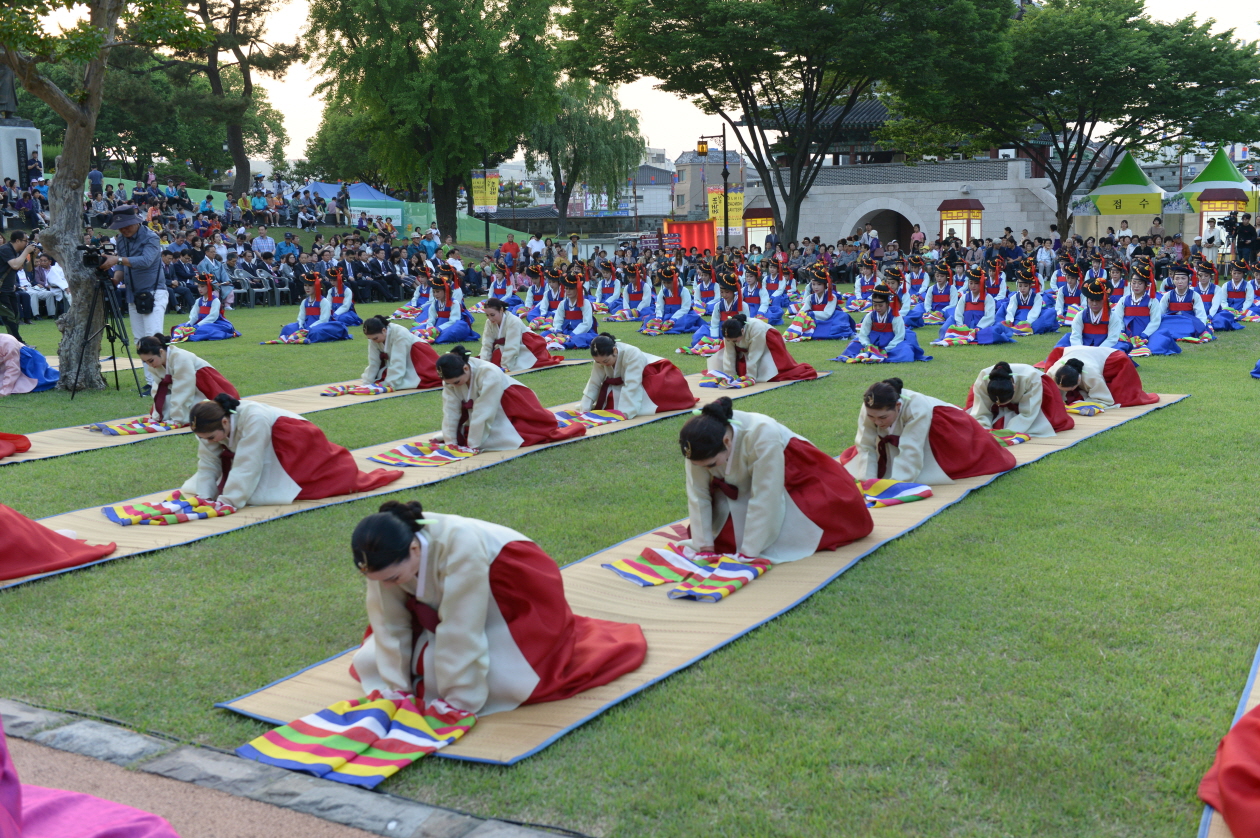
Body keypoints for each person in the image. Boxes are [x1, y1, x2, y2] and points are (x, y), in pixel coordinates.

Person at [348, 500, 647, 714]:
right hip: (451, 599)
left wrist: (458, 701)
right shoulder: (382, 557)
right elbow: (388, 621)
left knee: (508, 681)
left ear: (415, 549)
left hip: (510, 592)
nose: (387, 586)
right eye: (379, 580)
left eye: (392, 579)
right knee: (372, 660)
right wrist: (396, 689)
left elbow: (461, 627)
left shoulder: (459, 542)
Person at [676, 397, 873, 563]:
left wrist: (749, 553)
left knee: (823, 524)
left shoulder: (762, 433)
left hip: (794, 475)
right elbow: (698, 493)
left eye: (711, 465)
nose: (707, 470)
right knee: (724, 540)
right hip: (741, 484)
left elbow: (766, 495)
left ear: (727, 442)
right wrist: (704, 547)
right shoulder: (696, 444)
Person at [182, 394, 401, 511]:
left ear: (224, 421)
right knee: (216, 483)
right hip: (261, 445)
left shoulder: (253, 416)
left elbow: (248, 462)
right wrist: (204, 496)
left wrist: (228, 500)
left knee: (299, 486)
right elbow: (208, 462)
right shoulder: (208, 427)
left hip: (292, 438)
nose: (209, 442)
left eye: (211, 438)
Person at [840, 378, 1016, 485]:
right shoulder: (870, 408)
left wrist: (896, 484)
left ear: (898, 406)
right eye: (872, 417)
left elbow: (911, 446)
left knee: (970, 458)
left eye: (883, 418)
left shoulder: (917, 407)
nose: (877, 422)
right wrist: (867, 480)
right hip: (909, 425)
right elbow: (865, 443)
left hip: (943, 426)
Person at [436, 346, 586, 451]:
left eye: (456, 383)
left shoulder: (489, 372)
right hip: (480, 410)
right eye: (450, 384)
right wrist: (451, 442)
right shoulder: (450, 380)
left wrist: (472, 445)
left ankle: (476, 438)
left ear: (466, 368)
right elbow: (450, 410)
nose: (453, 387)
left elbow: (484, 410)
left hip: (511, 403)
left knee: (526, 434)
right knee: (466, 435)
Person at [100, 206, 166, 394]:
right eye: (120, 227)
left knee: (153, 337)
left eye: (126, 225)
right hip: (133, 294)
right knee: (139, 339)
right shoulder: (121, 240)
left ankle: (160, 382)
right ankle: (149, 382)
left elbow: (145, 261)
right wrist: (115, 279)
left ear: (137, 222)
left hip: (153, 292)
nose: (123, 230)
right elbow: (122, 267)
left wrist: (117, 260)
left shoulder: (151, 237)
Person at [578, 333, 697, 418]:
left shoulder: (632, 353)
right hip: (626, 380)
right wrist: (585, 408)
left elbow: (632, 384)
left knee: (653, 398)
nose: (603, 364)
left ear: (614, 350)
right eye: (599, 362)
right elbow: (594, 382)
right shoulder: (601, 359)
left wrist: (624, 413)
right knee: (611, 400)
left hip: (653, 375)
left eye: (605, 361)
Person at [135, 333, 238, 423]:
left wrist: (177, 418)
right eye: (146, 362)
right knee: (166, 411)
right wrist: (157, 414)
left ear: (161, 352)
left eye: (151, 360)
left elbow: (182, 389)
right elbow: (158, 390)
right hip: (182, 387)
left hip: (202, 385)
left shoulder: (181, 357)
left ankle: (180, 416)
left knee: (205, 413)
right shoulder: (155, 364)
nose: (149, 365)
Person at [965, 360, 1073, 438]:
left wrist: (1009, 432)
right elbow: (980, 410)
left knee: (1052, 421)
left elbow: (1029, 412)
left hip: (1036, 390)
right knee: (972, 422)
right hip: (1003, 392)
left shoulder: (1031, 377)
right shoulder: (983, 378)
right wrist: (984, 430)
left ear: (1015, 387)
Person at [834, 284, 929, 363]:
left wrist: (887, 348)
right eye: (875, 305)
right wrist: (867, 345)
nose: (878, 308)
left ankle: (880, 355)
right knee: (853, 345)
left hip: (891, 344)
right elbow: (863, 334)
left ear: (887, 303)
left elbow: (899, 336)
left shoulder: (896, 316)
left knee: (906, 350)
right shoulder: (870, 316)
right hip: (872, 342)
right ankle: (872, 354)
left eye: (880, 305)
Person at [708, 314, 817, 382]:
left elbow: (755, 354)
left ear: (742, 331)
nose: (732, 342)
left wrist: (750, 377)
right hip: (746, 347)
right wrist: (730, 375)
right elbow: (729, 353)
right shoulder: (730, 331)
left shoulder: (757, 328)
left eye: (734, 340)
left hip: (767, 344)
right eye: (729, 340)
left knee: (771, 374)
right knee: (731, 369)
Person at [1048, 346, 1159, 408]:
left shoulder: (1091, 375)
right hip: (1074, 350)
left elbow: (1105, 400)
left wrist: (1080, 404)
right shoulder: (1052, 371)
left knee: (1121, 397)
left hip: (1107, 356)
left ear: (1078, 380)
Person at [934, 266, 1016, 346]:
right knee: (945, 328)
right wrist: (961, 326)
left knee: (992, 332)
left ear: (982, 284)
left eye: (976, 283)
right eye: (971, 283)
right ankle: (964, 334)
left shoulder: (988, 298)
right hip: (964, 325)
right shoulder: (964, 297)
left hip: (981, 327)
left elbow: (989, 317)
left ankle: (972, 334)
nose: (973, 286)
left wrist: (978, 328)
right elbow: (958, 313)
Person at [360, 315, 443, 390]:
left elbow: (398, 360)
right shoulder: (374, 338)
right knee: (379, 377)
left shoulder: (400, 332)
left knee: (423, 379)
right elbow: (374, 361)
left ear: (384, 330)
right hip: (398, 360)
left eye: (375, 338)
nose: (373, 341)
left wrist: (389, 385)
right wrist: (367, 382)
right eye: (370, 339)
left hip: (418, 356)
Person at [1147, 263, 1211, 355]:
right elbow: (1160, 312)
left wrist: (1200, 327)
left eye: (1183, 278)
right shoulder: (1168, 295)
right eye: (1177, 279)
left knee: (1191, 326)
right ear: (1173, 280)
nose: (1180, 281)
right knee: (1163, 325)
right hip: (1171, 320)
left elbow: (1200, 313)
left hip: (1188, 321)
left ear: (1188, 280)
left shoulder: (1194, 295)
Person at [276, 275, 352, 343]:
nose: (307, 288)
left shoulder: (324, 301)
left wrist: (309, 328)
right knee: (287, 328)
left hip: (321, 325)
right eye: (305, 285)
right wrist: (301, 327)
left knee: (315, 332)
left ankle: (303, 336)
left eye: (310, 285)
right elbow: (301, 317)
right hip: (306, 325)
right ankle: (299, 336)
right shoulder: (304, 301)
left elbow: (324, 319)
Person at [1056, 278, 1123, 349]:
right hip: (1082, 347)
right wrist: (1081, 350)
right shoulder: (1080, 315)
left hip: (1105, 349)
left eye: (1098, 300)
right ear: (1087, 300)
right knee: (1063, 345)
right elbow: (1076, 337)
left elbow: (1112, 339)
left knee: (1120, 350)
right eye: (1091, 300)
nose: (1094, 304)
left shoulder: (1113, 317)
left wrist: (1096, 351)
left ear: (1104, 300)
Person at [794, 263, 855, 340]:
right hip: (816, 319)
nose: (815, 287)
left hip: (832, 319)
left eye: (819, 284)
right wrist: (801, 315)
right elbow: (803, 311)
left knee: (841, 322)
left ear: (825, 285)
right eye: (813, 284)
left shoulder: (832, 297)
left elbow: (827, 314)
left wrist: (811, 313)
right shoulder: (810, 298)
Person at [172, 275, 238, 342]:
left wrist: (197, 325)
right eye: (198, 286)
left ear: (209, 287)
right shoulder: (198, 301)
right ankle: (186, 334)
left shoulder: (215, 300)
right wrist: (189, 324)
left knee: (203, 329)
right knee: (179, 327)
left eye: (202, 286)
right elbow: (194, 315)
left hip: (215, 323)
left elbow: (213, 317)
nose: (199, 289)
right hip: (200, 322)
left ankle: (189, 335)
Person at [641, 264, 702, 335]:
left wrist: (673, 319)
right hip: (666, 315)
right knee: (648, 320)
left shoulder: (684, 290)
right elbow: (659, 306)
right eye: (664, 282)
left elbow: (685, 308)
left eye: (669, 282)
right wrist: (659, 318)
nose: (666, 285)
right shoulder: (663, 291)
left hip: (681, 316)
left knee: (684, 322)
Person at [421, 271, 479, 344]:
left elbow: (454, 320)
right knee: (418, 328)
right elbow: (431, 318)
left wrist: (438, 329)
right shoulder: (435, 303)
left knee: (453, 330)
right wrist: (429, 329)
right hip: (438, 324)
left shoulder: (454, 303)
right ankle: (430, 335)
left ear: (446, 291)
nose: (435, 294)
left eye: (438, 292)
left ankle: (436, 337)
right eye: (434, 292)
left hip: (451, 325)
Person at [0, 232, 37, 344]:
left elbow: (28, 269)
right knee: (9, 316)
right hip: (1, 290)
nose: (27, 243)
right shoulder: (5, 249)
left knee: (16, 316)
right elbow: (15, 265)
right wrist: (26, 251)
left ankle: (15, 343)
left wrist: (32, 256)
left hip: (10, 289)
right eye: (25, 240)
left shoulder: (19, 252)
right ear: (17, 241)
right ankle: (18, 343)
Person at [546, 271, 596, 349]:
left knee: (579, 338)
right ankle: (558, 341)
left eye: (571, 289)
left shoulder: (585, 303)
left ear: (578, 289)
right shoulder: (563, 303)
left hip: (580, 332)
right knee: (546, 333)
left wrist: (572, 334)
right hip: (565, 331)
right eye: (566, 288)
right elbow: (558, 320)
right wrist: (558, 332)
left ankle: (562, 345)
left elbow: (587, 324)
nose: (568, 291)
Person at [1004, 267, 1058, 334]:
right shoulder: (1015, 297)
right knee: (1004, 306)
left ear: (1030, 285)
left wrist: (1029, 321)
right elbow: (1011, 309)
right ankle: (1021, 327)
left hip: (1034, 318)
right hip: (1019, 317)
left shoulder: (1037, 297)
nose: (1022, 288)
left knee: (1051, 311)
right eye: (1020, 286)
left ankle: (1026, 327)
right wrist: (1009, 320)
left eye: (1025, 286)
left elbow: (1036, 311)